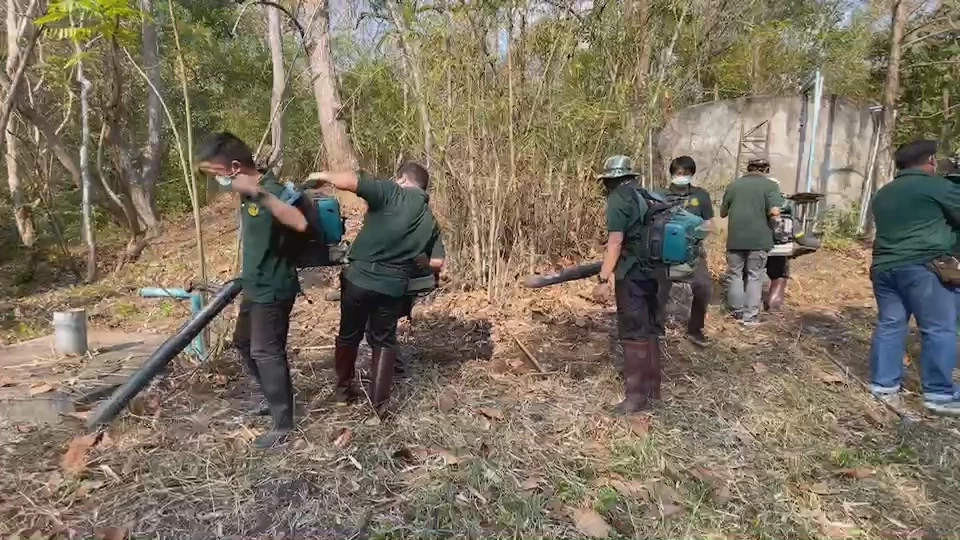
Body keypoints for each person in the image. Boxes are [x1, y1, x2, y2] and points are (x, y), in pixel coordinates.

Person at [196, 132, 308, 449]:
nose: (218, 182)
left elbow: (299, 223)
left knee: (266, 351)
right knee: (243, 343)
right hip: (254, 284)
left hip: (274, 285)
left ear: (234, 167)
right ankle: (275, 398)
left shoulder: (270, 190)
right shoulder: (247, 195)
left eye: (217, 175)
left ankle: (283, 425)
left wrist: (259, 194)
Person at [308, 163, 444, 414]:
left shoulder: (393, 192)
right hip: (393, 287)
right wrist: (419, 257)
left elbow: (352, 181)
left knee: (349, 335)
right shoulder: (430, 220)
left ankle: (343, 392)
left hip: (359, 279)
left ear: (402, 178)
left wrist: (322, 176)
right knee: (384, 341)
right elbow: (437, 263)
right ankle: (379, 406)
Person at [870, 139, 960, 415]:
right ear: (931, 160)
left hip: (884, 268)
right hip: (924, 268)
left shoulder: (884, 193)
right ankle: (939, 394)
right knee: (939, 328)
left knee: (890, 325)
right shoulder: (937, 186)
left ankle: (883, 386)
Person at [593, 155, 663, 413]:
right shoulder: (645, 194)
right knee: (650, 328)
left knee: (633, 331)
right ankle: (654, 389)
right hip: (656, 271)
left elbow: (615, 242)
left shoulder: (617, 199)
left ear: (611, 179)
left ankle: (635, 397)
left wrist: (603, 278)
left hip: (632, 273)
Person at [655, 155, 713, 347]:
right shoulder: (659, 196)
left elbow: (709, 223)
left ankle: (695, 330)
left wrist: (698, 233)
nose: (682, 176)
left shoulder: (700, 196)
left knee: (703, 288)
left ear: (692, 174)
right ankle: (656, 329)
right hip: (664, 251)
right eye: (679, 173)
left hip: (692, 251)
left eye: (686, 173)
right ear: (672, 174)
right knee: (658, 289)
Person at [720, 158, 783, 325]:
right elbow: (775, 212)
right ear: (766, 169)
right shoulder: (771, 186)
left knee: (735, 275)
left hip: (735, 240)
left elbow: (723, 212)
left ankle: (736, 312)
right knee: (754, 276)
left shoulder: (733, 186)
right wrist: (777, 228)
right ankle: (750, 317)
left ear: (748, 168)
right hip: (759, 241)